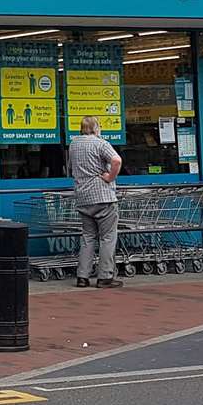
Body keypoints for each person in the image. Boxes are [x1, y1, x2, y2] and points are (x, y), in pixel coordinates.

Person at [69, 116, 124, 288]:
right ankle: (105, 277)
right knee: (107, 237)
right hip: (103, 197)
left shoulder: (73, 144)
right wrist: (110, 177)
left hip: (83, 197)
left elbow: (70, 168)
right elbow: (116, 160)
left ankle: (82, 276)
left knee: (88, 237)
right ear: (96, 128)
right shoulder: (100, 143)